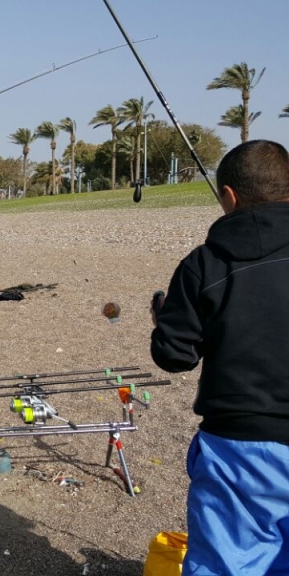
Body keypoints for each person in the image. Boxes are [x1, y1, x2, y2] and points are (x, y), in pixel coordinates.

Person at [150, 140, 289, 575]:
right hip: (243, 441)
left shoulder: (202, 265)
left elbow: (175, 357)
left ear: (228, 196)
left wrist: (163, 320)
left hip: (238, 446)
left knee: (226, 563)